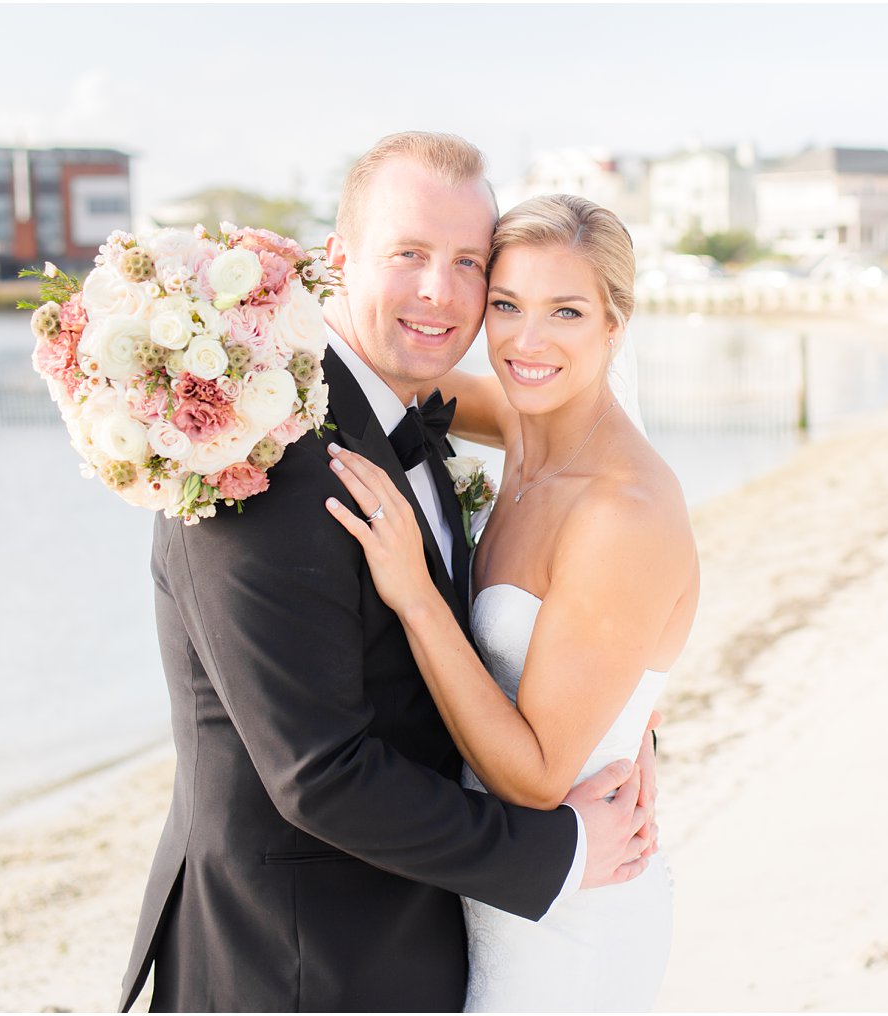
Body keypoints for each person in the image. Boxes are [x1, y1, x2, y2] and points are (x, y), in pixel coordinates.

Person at [120, 134, 659, 1013]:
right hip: (298, 959)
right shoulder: (263, 454)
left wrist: (622, 722)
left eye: (467, 262)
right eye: (408, 254)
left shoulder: (406, 412)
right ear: (337, 262)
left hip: (411, 934)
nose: (439, 292)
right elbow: (318, 774)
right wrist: (556, 853)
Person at [324, 193, 700, 1011]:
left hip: (575, 913)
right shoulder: (526, 420)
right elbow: (382, 362)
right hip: (501, 890)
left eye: (565, 311)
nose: (527, 343)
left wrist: (416, 595)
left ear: (615, 323)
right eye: (505, 305)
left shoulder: (621, 513)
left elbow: (533, 778)